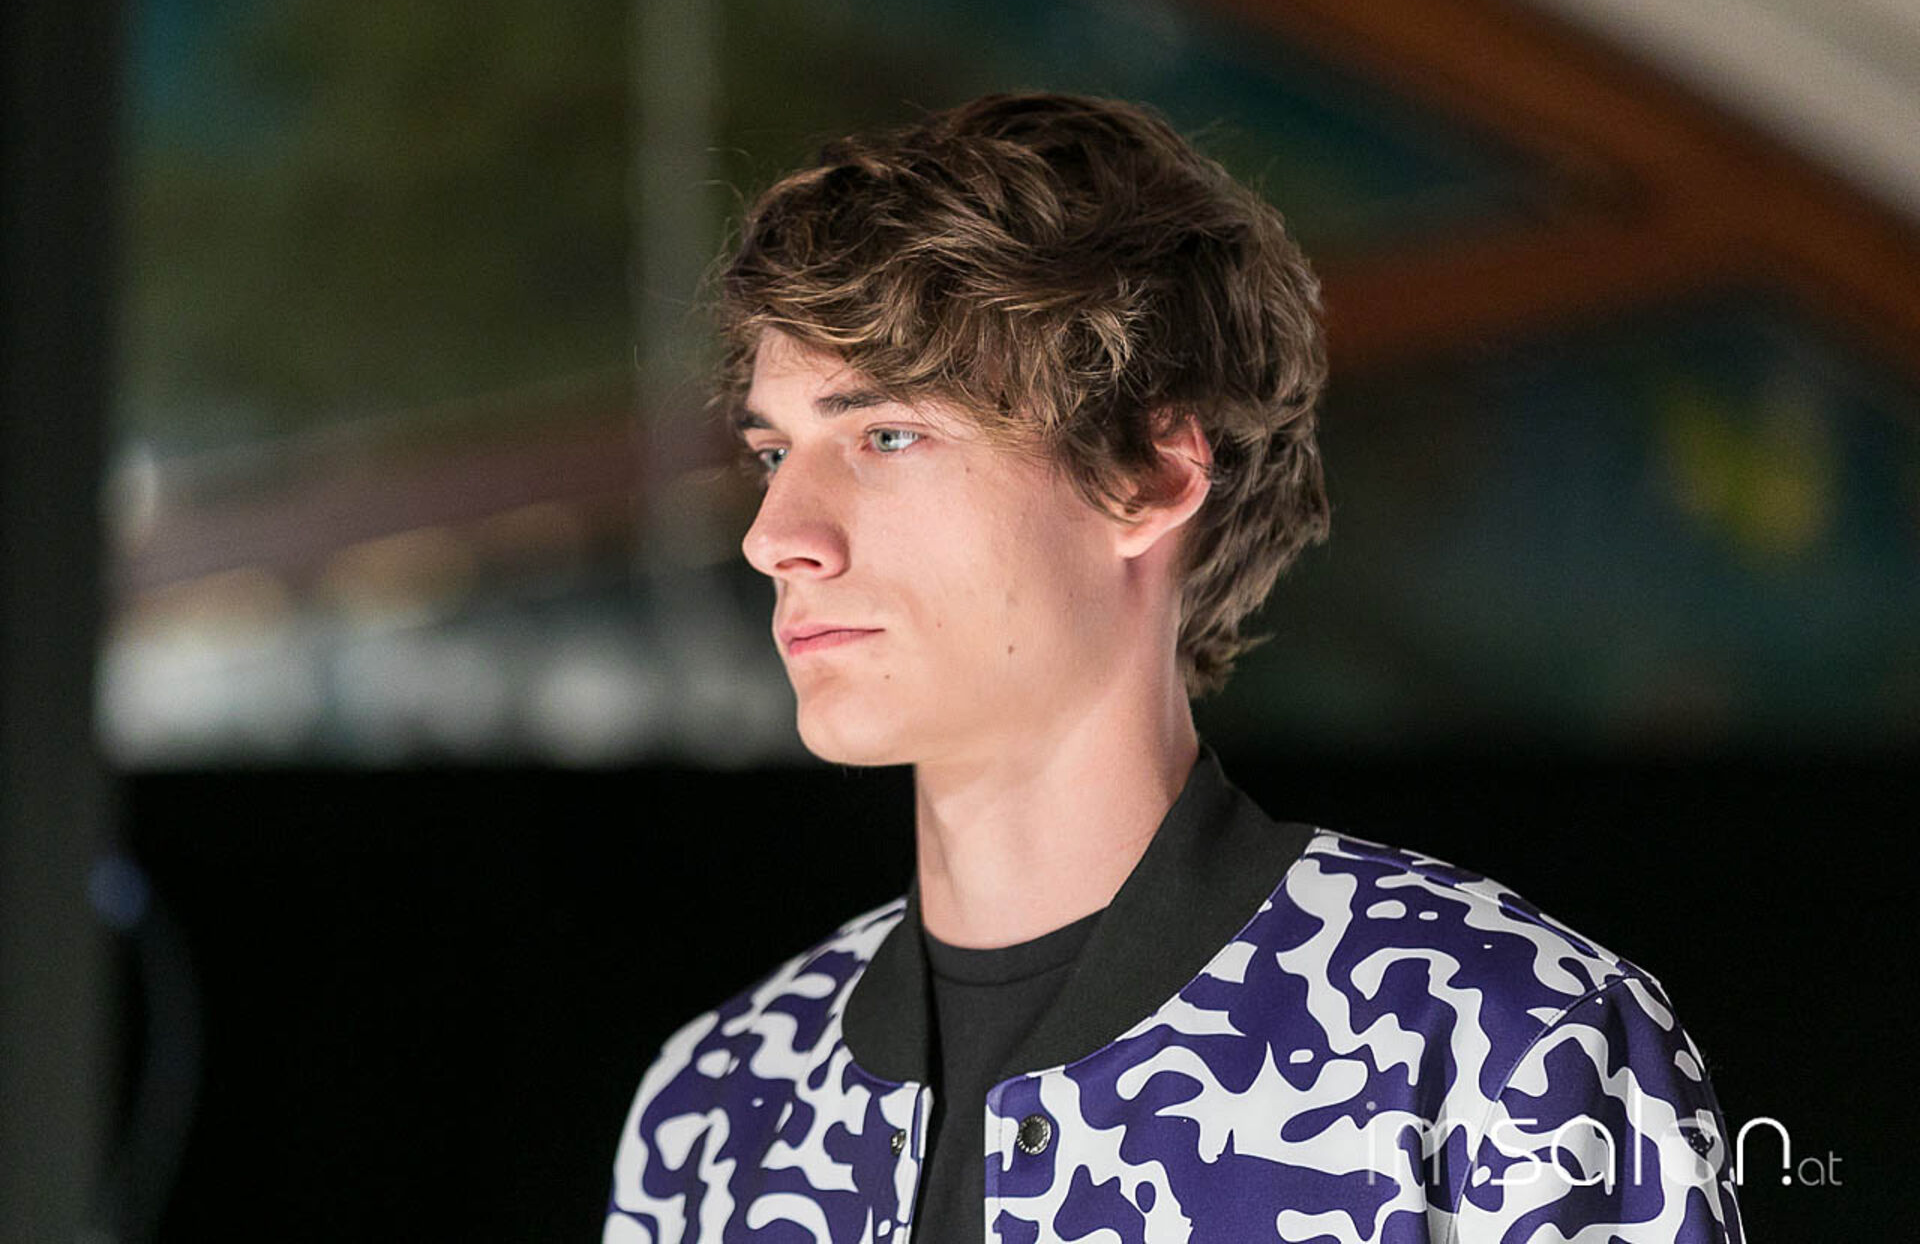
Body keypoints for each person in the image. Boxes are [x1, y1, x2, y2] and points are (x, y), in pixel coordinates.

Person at [603, 92, 1744, 1243]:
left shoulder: (1503, 1044)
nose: (776, 535)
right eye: (772, 452)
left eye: (887, 435)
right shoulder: (711, 1113)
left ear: (1147, 477)